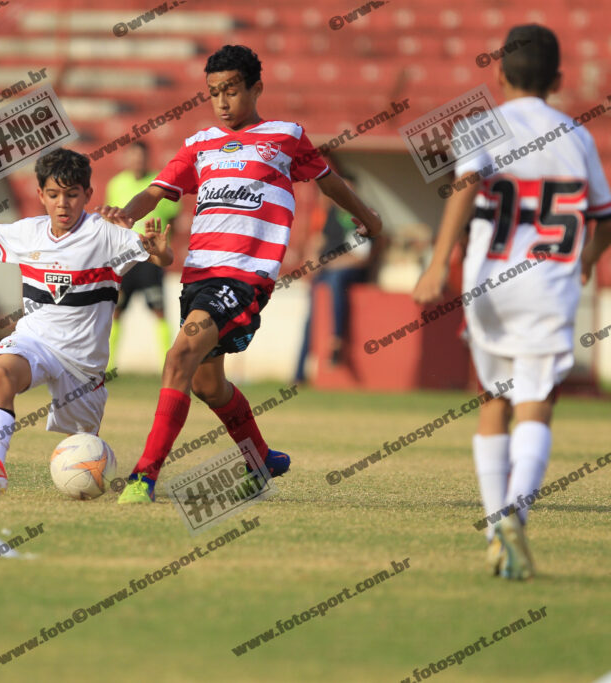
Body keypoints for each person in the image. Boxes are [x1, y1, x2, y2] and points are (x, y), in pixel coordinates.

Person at [102, 45, 381, 504]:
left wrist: (368, 217)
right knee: (206, 384)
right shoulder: (200, 144)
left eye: (231, 90)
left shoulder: (285, 137)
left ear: (256, 88)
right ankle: (261, 459)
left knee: (178, 356)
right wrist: (124, 216)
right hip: (198, 277)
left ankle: (143, 477)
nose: (222, 101)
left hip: (244, 278)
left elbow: (328, 180)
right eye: (214, 92)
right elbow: (156, 191)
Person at [413, 24, 611, 580]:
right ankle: (513, 517)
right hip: (548, 285)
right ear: (559, 80)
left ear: (498, 73)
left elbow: (464, 189)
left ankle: (494, 528)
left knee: (492, 399)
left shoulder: (480, 125)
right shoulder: (576, 136)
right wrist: (588, 258)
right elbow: (605, 215)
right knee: (536, 401)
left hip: (488, 286)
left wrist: (437, 263)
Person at [0, 148, 173, 495]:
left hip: (83, 363)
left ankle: (95, 473)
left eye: (71, 195)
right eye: (53, 195)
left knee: (86, 446)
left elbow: (159, 257)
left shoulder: (107, 235)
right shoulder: (28, 232)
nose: (62, 204)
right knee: (2, 370)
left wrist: (161, 250)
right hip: (35, 341)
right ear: (40, 194)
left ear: (87, 193)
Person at [294, 171, 375, 382]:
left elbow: (361, 257)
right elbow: (319, 240)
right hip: (325, 271)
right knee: (311, 317)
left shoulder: (363, 216)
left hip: (348, 273)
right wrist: (311, 261)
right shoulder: (330, 213)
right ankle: (299, 373)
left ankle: (336, 339)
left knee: (336, 280)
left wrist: (328, 263)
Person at [105, 141, 180, 367]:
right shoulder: (116, 184)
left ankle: (167, 364)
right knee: (116, 311)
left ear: (147, 158)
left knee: (159, 310)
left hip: (150, 259)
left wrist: (161, 248)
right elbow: (111, 221)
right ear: (128, 158)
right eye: (134, 156)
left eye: (141, 157)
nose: (138, 161)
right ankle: (108, 365)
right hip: (124, 259)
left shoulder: (159, 184)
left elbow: (173, 219)